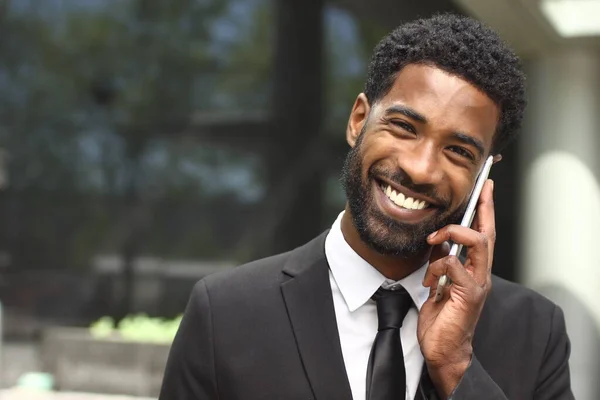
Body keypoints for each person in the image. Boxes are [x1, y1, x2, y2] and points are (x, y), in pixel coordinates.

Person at [159, 13, 574, 400]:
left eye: (458, 151)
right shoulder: (225, 314)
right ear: (359, 120)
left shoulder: (535, 332)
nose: (420, 168)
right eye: (404, 127)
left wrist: (456, 367)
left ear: (483, 177)